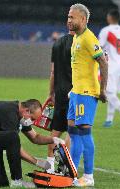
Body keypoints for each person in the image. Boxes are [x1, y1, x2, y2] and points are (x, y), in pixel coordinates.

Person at [67, 3, 108, 187]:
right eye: (68, 17)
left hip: (86, 93)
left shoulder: (88, 38)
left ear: (83, 19)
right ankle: (73, 173)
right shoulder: (77, 37)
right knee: (73, 132)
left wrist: (103, 90)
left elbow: (103, 62)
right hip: (75, 93)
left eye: (72, 17)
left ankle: (89, 176)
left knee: (84, 133)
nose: (68, 20)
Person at [46, 29, 75, 173]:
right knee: (72, 131)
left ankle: (49, 166)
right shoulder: (80, 43)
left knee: (55, 130)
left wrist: (50, 92)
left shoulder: (57, 43)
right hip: (75, 92)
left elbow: (52, 72)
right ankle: (64, 166)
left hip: (60, 92)